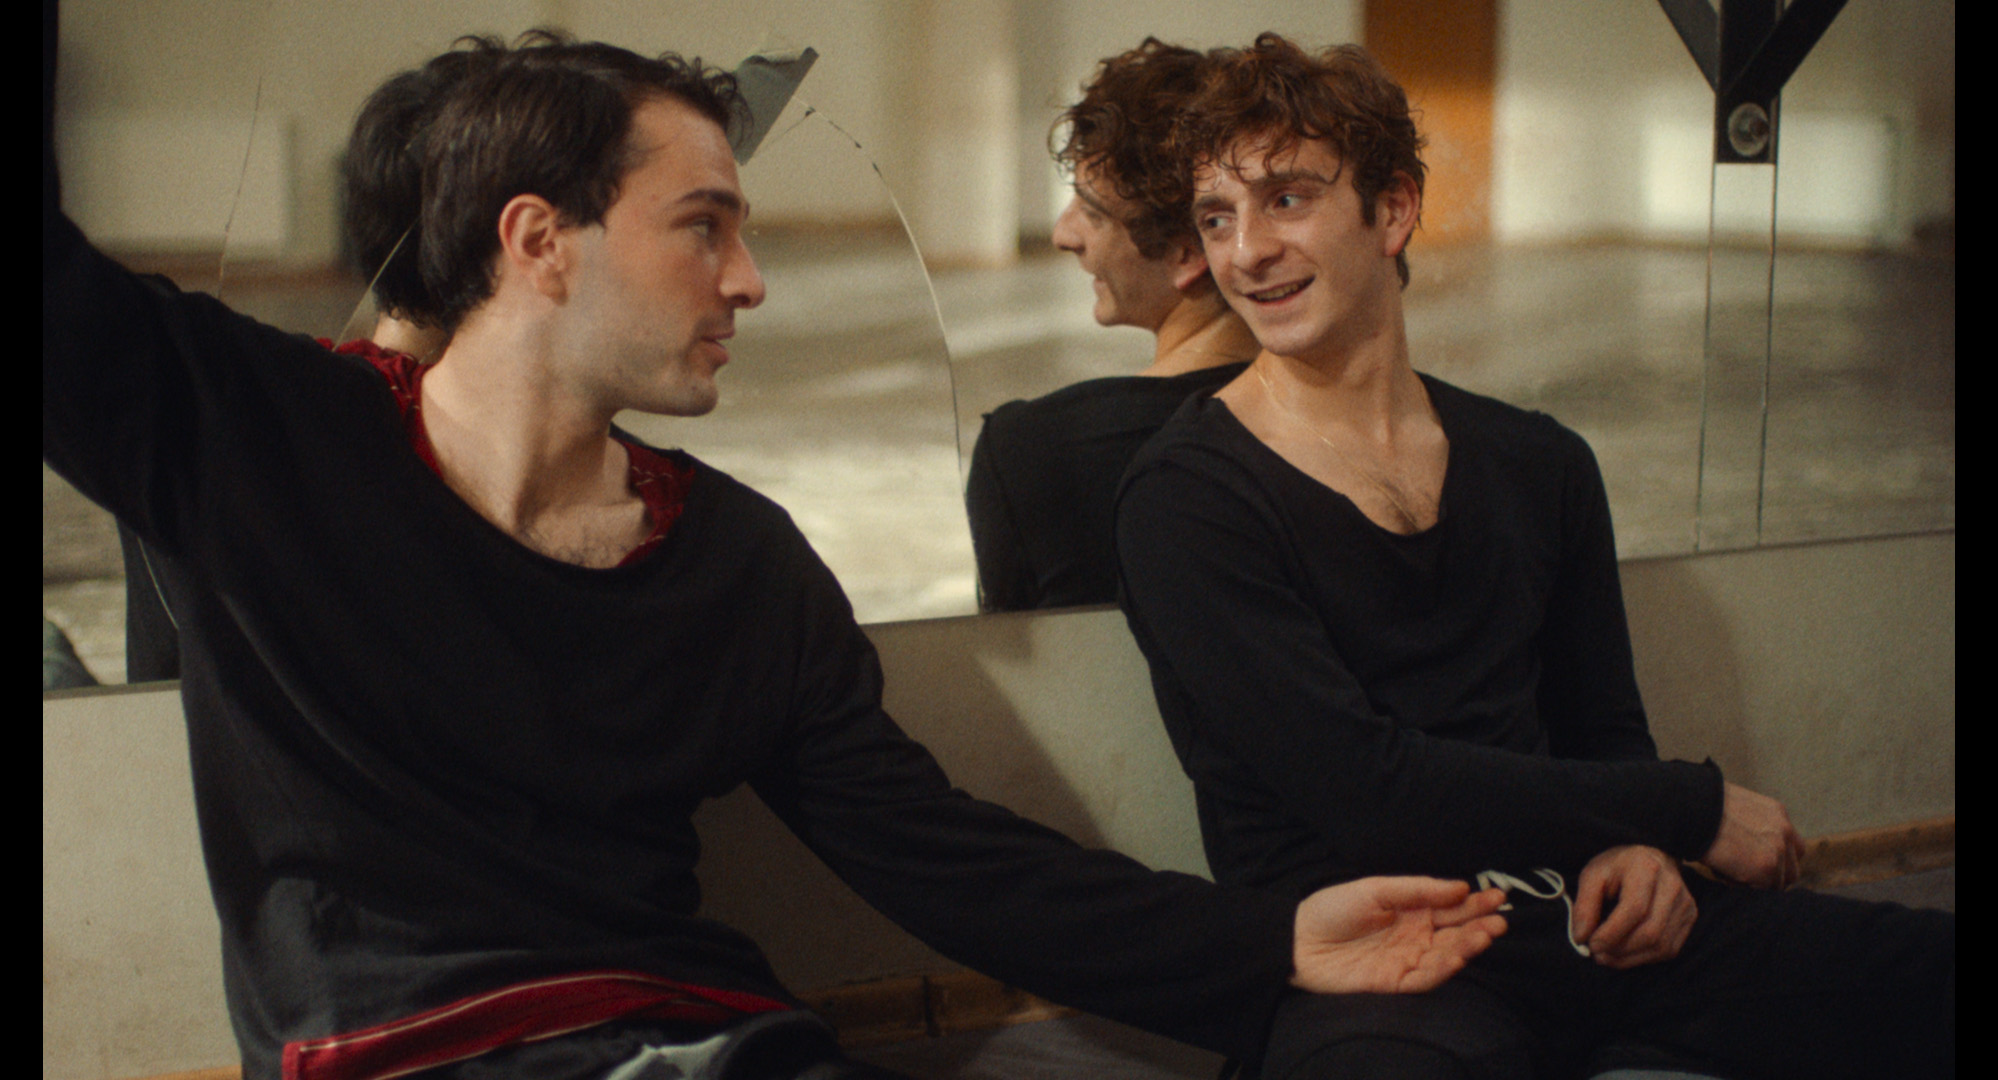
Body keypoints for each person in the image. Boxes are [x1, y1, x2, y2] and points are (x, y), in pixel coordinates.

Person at [43, 17, 1511, 1080]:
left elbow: (939, 856)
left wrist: (1271, 942)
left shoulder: (732, 559)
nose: (750, 281)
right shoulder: (259, 432)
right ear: (539, 241)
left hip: (719, 1042)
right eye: (704, 227)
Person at [1112, 33, 1954, 1080]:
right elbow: (1367, 791)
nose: (1246, 252)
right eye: (1217, 218)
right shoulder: (1187, 498)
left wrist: (1639, 848)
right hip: (1392, 960)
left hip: (1594, 917)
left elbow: (1603, 729)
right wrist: (1684, 810)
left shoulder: (1539, 461)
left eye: (1286, 199)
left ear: (1393, 210)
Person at [965, 39, 1261, 611]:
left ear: (1187, 253)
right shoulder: (1333, 421)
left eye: (1092, 212)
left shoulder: (1035, 451)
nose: (1062, 235)